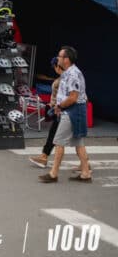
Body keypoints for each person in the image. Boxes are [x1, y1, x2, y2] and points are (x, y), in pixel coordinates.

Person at [39, 46, 92, 183]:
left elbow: (73, 97)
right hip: (73, 110)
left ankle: (53, 174)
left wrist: (59, 106)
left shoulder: (73, 74)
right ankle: (85, 173)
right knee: (78, 143)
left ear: (66, 59)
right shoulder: (68, 73)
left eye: (60, 56)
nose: (57, 58)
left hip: (72, 111)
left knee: (58, 142)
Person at [29, 57, 64, 168]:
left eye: (54, 67)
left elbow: (66, 97)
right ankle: (85, 163)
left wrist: (57, 107)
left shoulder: (65, 79)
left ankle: (46, 160)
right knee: (76, 141)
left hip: (62, 112)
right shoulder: (64, 78)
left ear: (57, 66)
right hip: (61, 110)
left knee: (55, 136)